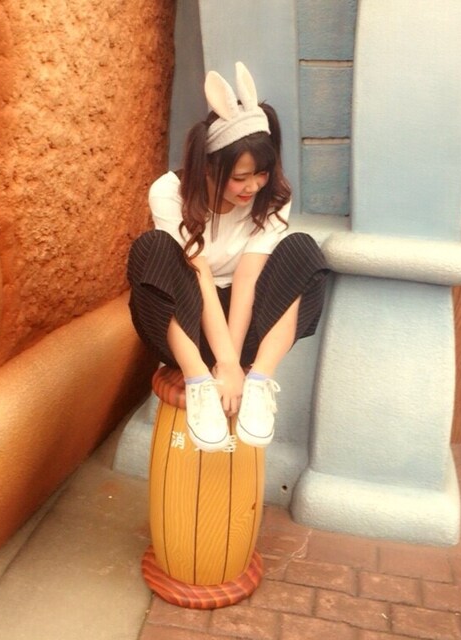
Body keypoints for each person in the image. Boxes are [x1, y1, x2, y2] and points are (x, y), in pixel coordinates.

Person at [128, 61, 329, 453]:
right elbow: (199, 275)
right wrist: (218, 365)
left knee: (302, 249)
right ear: (208, 167)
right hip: (186, 327)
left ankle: (259, 384)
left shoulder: (274, 197)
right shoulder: (169, 192)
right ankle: (199, 384)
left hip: (244, 324)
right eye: (240, 177)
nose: (253, 186)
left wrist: (235, 365)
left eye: (261, 173)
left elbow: (248, 279)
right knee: (151, 248)